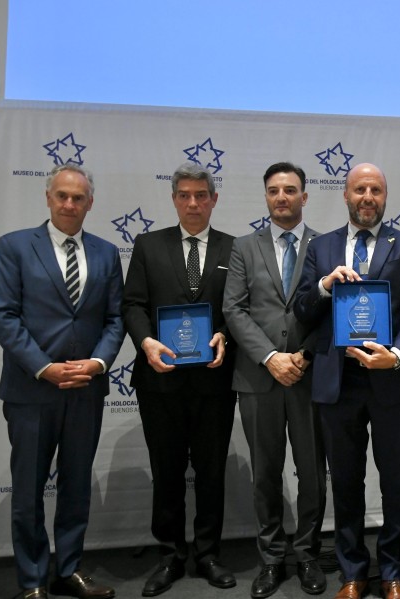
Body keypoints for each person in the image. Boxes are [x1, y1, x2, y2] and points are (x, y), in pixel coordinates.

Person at [0, 164, 124, 599]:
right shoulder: (14, 246)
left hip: (86, 389)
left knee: (76, 484)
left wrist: (98, 363)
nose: (69, 204)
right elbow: (2, 315)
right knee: (28, 489)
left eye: (77, 197)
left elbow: (115, 318)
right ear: (48, 198)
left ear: (90, 203)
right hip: (32, 389)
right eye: (61, 195)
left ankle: (68, 570)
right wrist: (43, 367)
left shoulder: (107, 253)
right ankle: (32, 580)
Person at [294, 163, 400, 599]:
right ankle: (353, 572)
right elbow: (302, 309)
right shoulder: (321, 247)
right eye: (359, 189)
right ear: (345, 195)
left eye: (375, 190)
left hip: (391, 379)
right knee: (346, 481)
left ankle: (392, 572)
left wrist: (397, 355)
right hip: (338, 381)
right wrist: (324, 285)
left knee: (396, 480)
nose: (367, 197)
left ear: (384, 197)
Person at [122, 163, 237, 596]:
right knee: (166, 471)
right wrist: (146, 342)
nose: (193, 203)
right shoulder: (148, 245)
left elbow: (238, 307)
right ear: (173, 199)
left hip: (214, 381)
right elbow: (132, 304)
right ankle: (170, 555)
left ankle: (208, 554)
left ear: (214, 199)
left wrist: (225, 334)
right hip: (160, 381)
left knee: (211, 472)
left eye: (201, 195)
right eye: (184, 195)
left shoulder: (234, 248)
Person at [223, 162, 327, 597]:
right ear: (265, 196)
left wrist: (303, 354)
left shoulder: (327, 245)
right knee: (264, 473)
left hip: (309, 375)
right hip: (258, 377)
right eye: (273, 190)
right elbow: (233, 309)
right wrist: (270, 357)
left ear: (304, 196)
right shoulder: (244, 247)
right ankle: (270, 558)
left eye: (290, 189)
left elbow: (335, 310)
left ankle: (307, 555)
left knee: (312, 473)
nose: (281, 197)